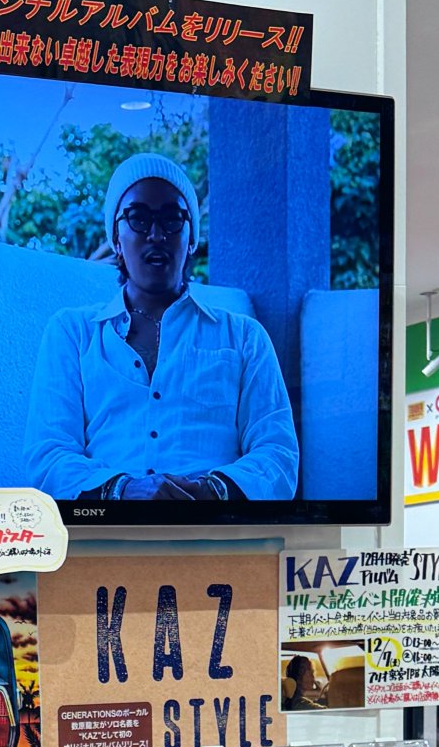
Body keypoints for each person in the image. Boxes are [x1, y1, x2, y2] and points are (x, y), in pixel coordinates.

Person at [23, 150, 299, 504]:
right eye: (138, 218)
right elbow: (48, 455)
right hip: (105, 531)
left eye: (172, 219)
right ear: (116, 239)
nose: (156, 234)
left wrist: (211, 491)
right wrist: (124, 490)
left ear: (191, 239)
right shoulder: (73, 334)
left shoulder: (244, 338)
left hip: (216, 531)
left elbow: (278, 455)